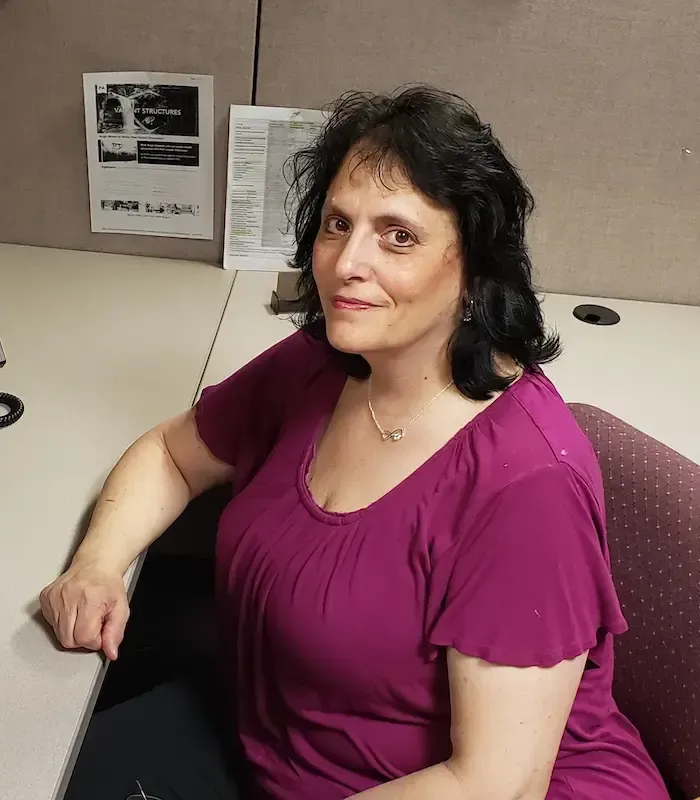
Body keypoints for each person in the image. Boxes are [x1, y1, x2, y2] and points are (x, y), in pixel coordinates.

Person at [41, 87, 669, 800]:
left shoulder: (526, 485)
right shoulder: (328, 362)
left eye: (399, 235)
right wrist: (97, 565)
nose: (346, 263)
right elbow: (171, 453)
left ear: (474, 271)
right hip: (274, 736)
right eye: (338, 224)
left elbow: (497, 784)